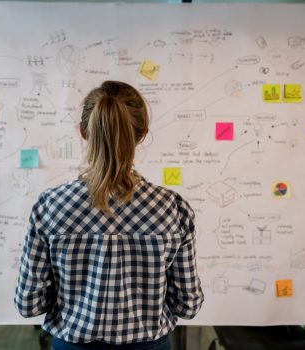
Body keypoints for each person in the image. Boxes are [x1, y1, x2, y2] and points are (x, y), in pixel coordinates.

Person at [15, 80, 203, 350]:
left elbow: (28, 303)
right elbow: (188, 304)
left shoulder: (51, 205)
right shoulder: (172, 208)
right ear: (141, 134)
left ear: (83, 131)